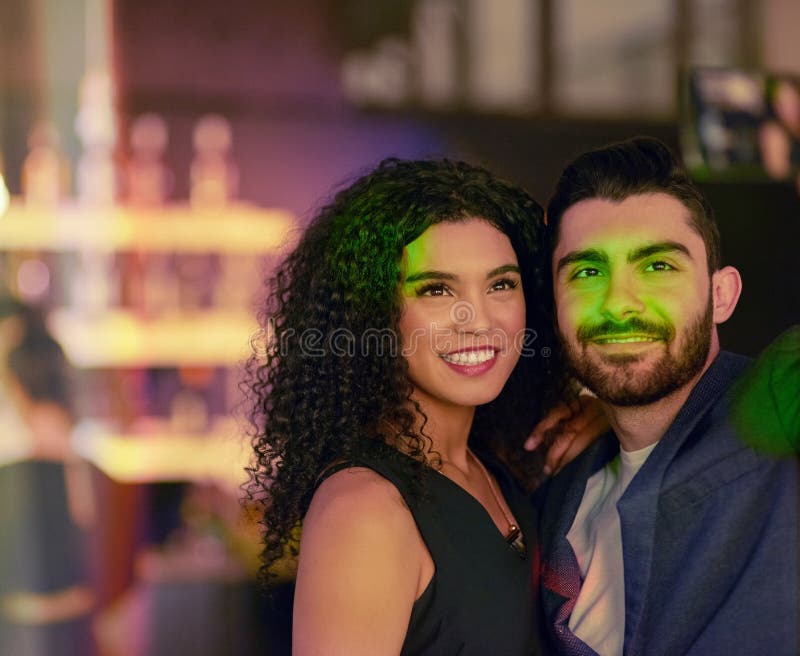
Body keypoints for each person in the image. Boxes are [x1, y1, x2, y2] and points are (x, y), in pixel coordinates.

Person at [245, 158, 601, 655]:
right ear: (372, 313)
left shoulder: (493, 467)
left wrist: (608, 422)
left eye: (501, 284)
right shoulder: (365, 510)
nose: (478, 320)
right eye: (436, 289)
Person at [536, 137, 798, 656]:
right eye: (588, 272)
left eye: (658, 266)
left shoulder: (776, 404)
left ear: (720, 294)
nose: (619, 305)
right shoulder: (558, 492)